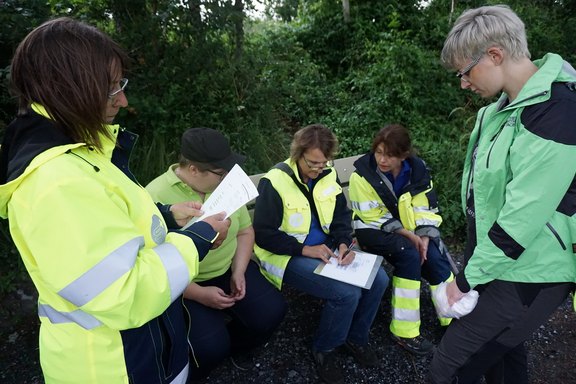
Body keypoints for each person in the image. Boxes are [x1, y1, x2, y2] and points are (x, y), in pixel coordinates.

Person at [0, 17, 231, 384]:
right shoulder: (55, 182)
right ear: (68, 89)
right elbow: (123, 291)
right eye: (111, 88)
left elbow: (111, 226)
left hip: (143, 351)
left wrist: (167, 216)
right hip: (113, 367)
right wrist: (199, 238)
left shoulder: (82, 154)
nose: (123, 100)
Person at [429, 5, 576, 383]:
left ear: (495, 55)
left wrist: (462, 283)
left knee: (450, 367)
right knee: (503, 360)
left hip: (530, 269)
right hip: (497, 260)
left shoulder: (556, 112)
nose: (463, 83)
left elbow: (518, 224)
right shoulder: (499, 109)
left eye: (465, 71)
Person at [145, 127, 287, 381]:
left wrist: (239, 271)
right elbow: (153, 264)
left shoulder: (224, 186)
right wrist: (199, 294)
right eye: (220, 172)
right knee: (209, 347)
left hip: (228, 270)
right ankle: (197, 371)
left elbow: (245, 231)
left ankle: (235, 350)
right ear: (193, 169)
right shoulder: (154, 196)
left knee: (272, 312)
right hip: (184, 284)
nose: (227, 178)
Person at [252, 123, 389, 384]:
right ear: (297, 154)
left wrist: (343, 244)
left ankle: (356, 338)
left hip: (326, 250)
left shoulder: (327, 174)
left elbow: (339, 216)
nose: (317, 169)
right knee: (346, 293)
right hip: (286, 255)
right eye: (312, 163)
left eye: (323, 163)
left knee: (379, 279)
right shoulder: (275, 181)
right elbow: (264, 234)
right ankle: (325, 348)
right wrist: (304, 249)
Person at [348, 123, 453, 356]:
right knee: (409, 253)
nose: (383, 160)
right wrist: (409, 235)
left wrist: (424, 235)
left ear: (404, 155)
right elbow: (371, 215)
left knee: (435, 257)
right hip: (371, 229)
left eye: (390, 155)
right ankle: (404, 331)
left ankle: (451, 318)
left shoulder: (418, 170)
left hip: (412, 230)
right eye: (379, 152)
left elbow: (425, 207)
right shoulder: (362, 175)